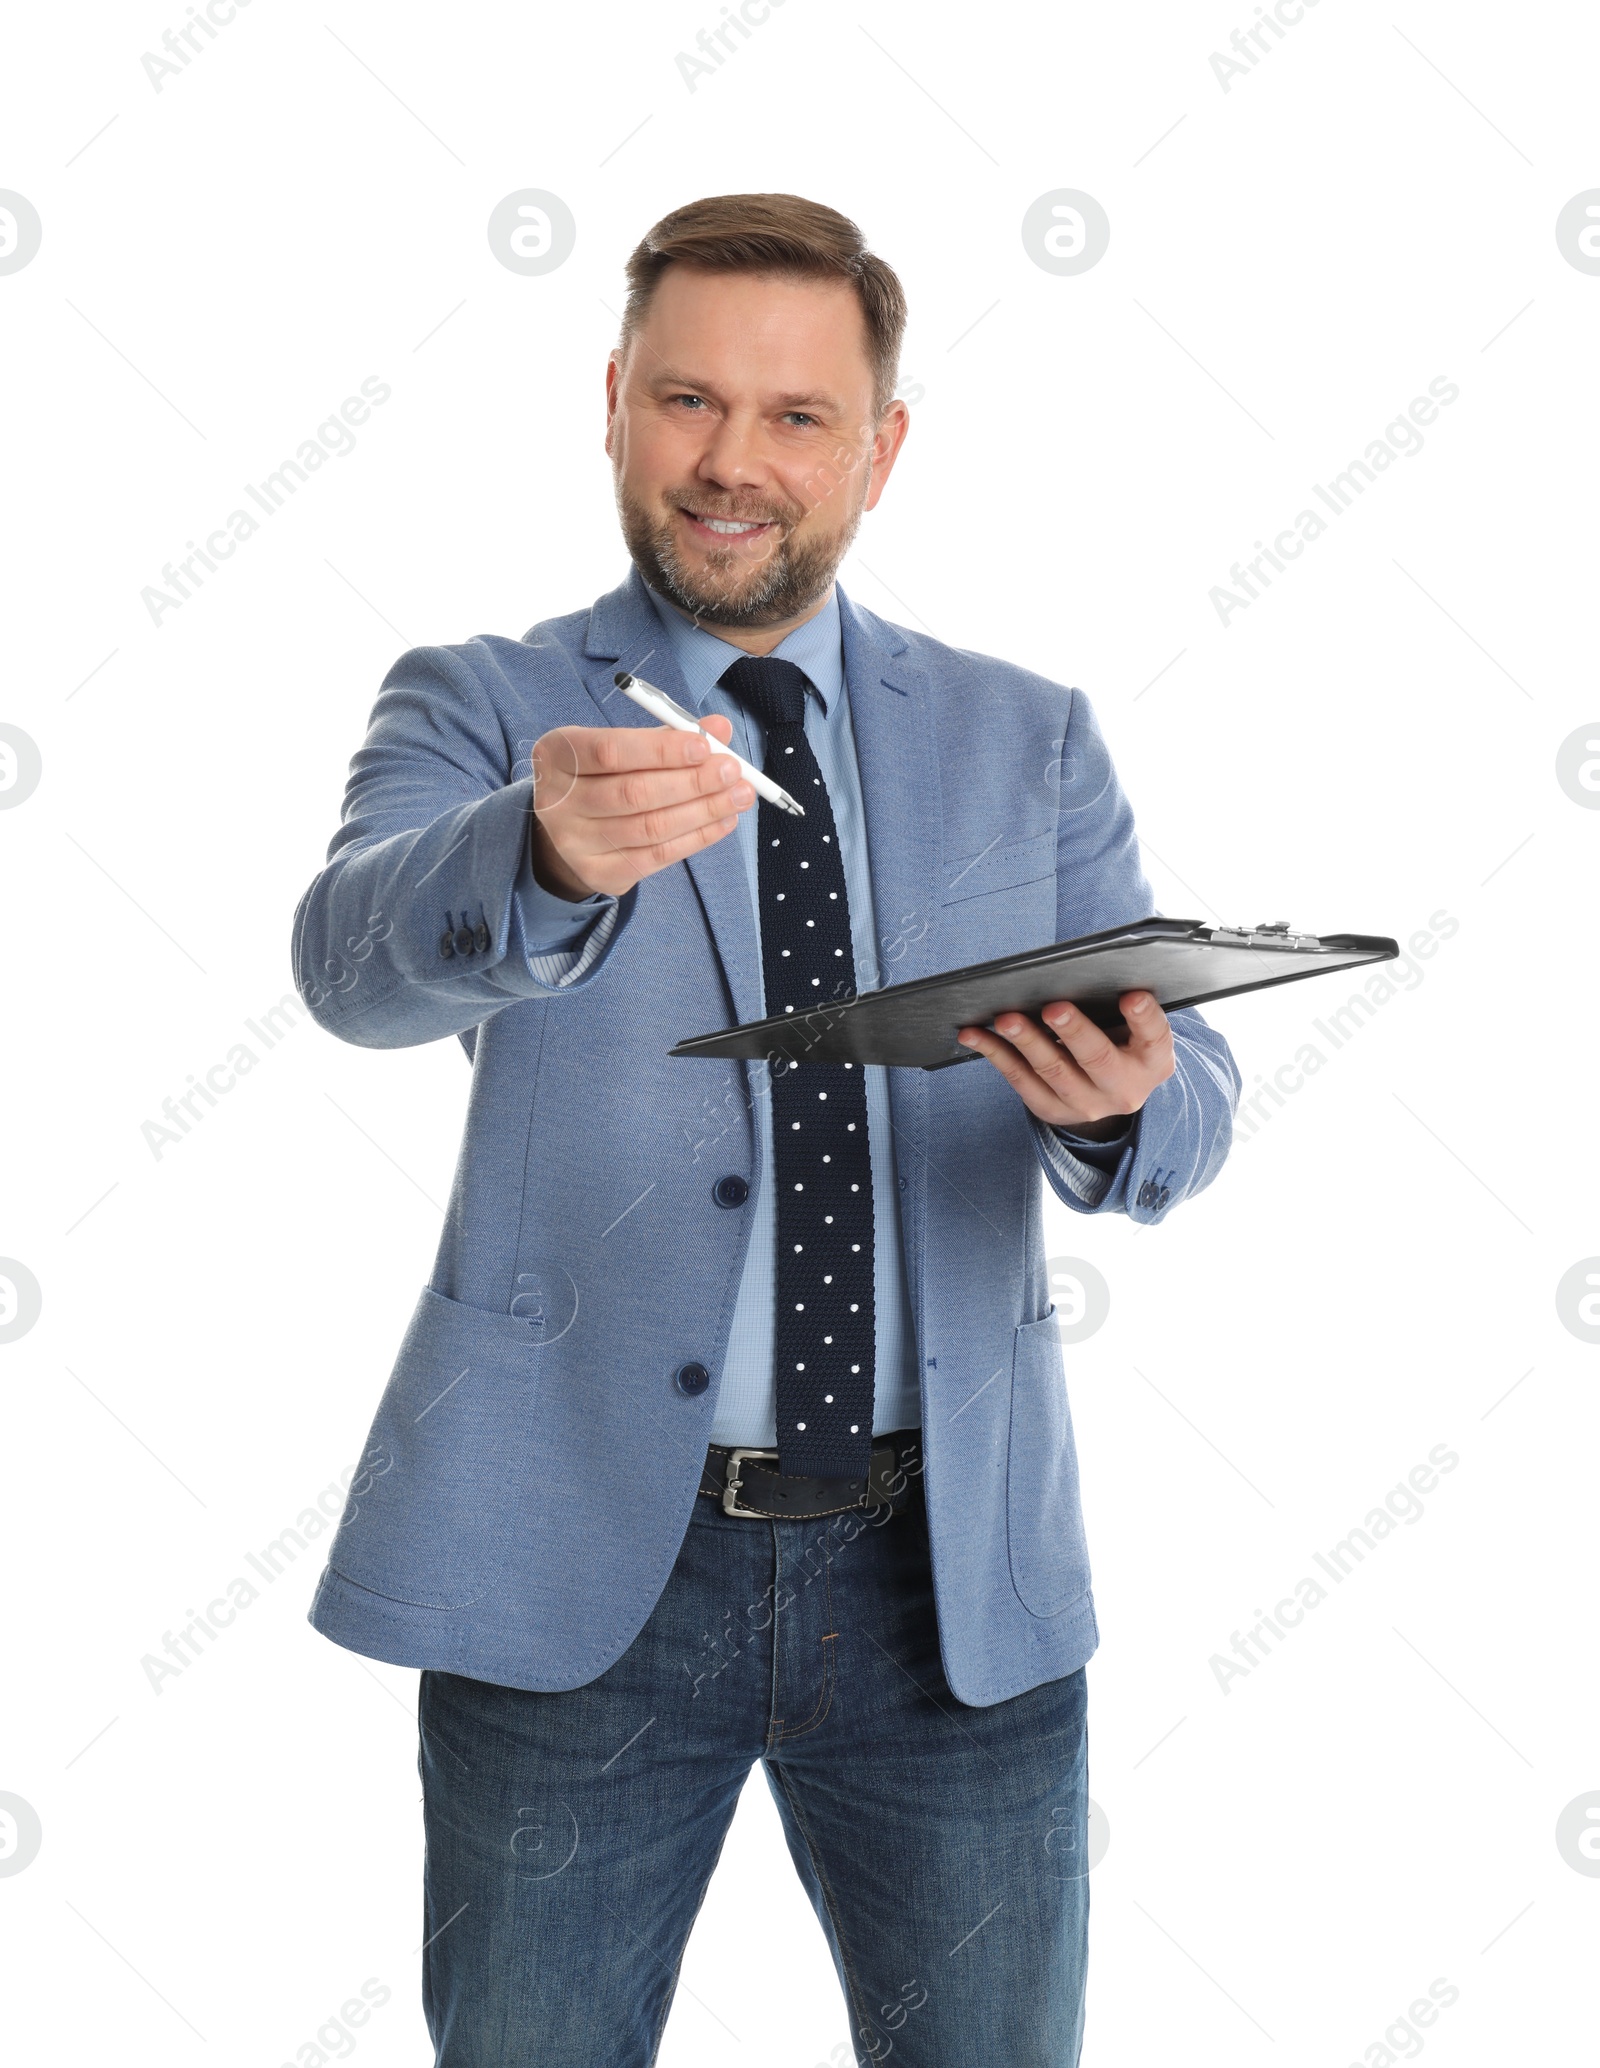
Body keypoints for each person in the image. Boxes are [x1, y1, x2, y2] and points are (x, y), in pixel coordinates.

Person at [293, 190, 1240, 2067]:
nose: (732, 463)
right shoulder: (489, 707)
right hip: (575, 1581)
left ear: (881, 450)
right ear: (617, 401)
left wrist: (1129, 1105)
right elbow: (352, 963)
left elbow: (1188, 1103)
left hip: (945, 1578)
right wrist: (539, 852)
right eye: (686, 401)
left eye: (797, 417)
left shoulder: (1024, 735)